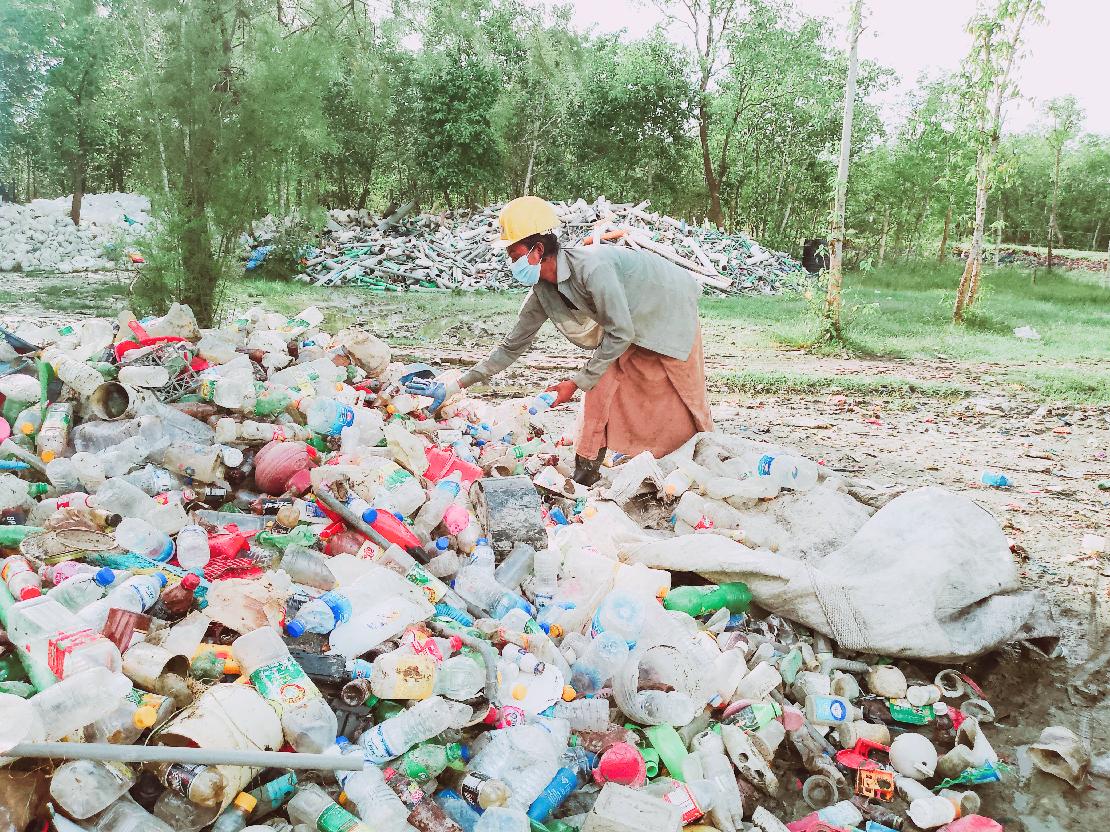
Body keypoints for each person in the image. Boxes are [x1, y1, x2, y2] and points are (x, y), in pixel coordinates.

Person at [407, 196, 712, 485]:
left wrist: (574, 382)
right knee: (599, 387)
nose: (511, 263)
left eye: (514, 255)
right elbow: (511, 346)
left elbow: (620, 332)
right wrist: (454, 386)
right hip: (629, 323)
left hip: (670, 310)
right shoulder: (543, 290)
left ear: (537, 250)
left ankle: (702, 454)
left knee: (682, 395)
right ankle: (587, 470)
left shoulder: (594, 268)